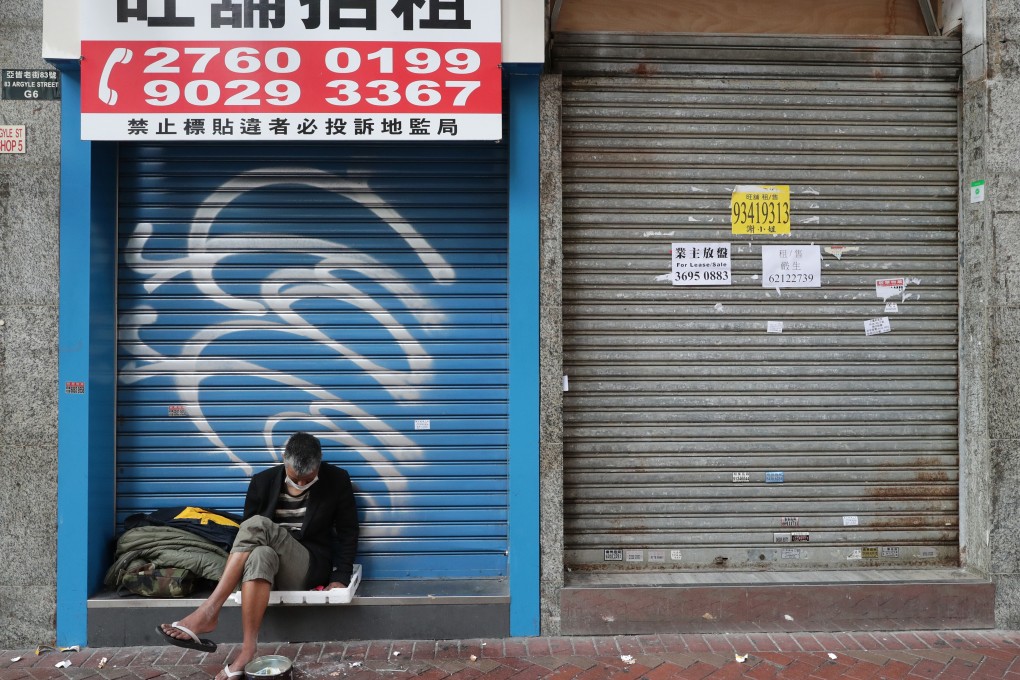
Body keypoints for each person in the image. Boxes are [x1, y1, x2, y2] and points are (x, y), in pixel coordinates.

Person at [157, 432, 359, 680]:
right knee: (260, 553)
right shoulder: (262, 482)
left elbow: (348, 531)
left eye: (308, 479)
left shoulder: (336, 479)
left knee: (257, 525)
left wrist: (340, 575)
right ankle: (248, 648)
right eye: (297, 479)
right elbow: (246, 541)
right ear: (285, 460)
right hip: (271, 567)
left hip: (307, 564)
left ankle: (209, 610)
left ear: (319, 463)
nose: (302, 484)